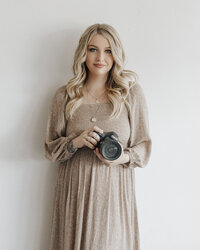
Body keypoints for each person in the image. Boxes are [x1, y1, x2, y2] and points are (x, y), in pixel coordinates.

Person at [44, 23, 152, 250]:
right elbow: (50, 149)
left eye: (108, 50)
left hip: (113, 193)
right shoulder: (65, 95)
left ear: (116, 54)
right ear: (83, 52)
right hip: (75, 193)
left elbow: (144, 147)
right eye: (93, 49)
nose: (100, 57)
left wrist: (120, 157)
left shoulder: (130, 94)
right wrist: (76, 141)